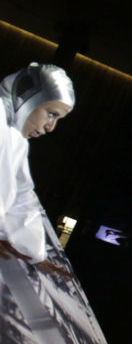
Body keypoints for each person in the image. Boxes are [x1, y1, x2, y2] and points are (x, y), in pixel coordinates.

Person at [0, 62, 75, 279]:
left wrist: (35, 253)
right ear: (27, 95)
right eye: (51, 114)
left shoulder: (16, 137)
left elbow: (22, 195)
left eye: (57, 119)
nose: (51, 127)